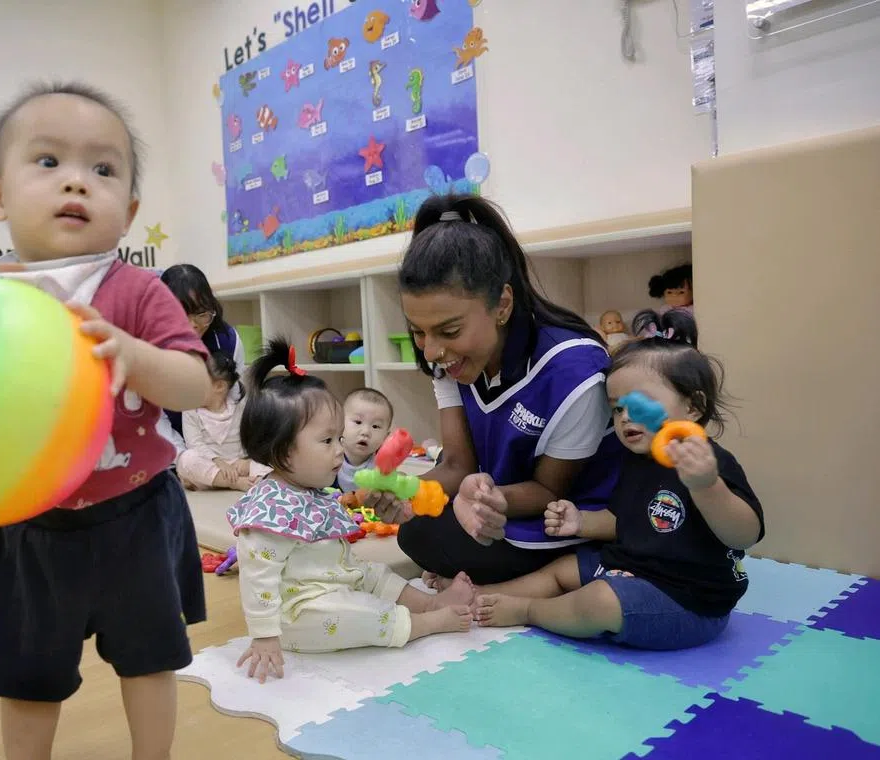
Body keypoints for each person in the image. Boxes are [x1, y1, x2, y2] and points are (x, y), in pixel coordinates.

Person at [0, 81, 211, 760]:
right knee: (25, 674)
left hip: (135, 510)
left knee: (150, 659)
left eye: (102, 169)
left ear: (129, 209)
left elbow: (196, 386)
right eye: (48, 162)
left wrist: (132, 353)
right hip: (29, 521)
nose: (76, 182)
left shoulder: (139, 291)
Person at [472, 309, 764, 650]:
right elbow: (624, 520)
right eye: (617, 408)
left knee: (600, 600)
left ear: (694, 407)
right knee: (564, 568)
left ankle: (528, 610)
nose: (626, 418)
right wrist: (579, 522)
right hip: (633, 571)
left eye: (640, 405)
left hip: (688, 602)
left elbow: (745, 534)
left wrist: (707, 487)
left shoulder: (711, 464)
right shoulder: (637, 461)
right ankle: (479, 595)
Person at [373, 194, 624, 587]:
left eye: (449, 331)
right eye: (419, 331)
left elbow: (548, 490)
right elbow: (458, 465)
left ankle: (570, 574)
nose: (433, 349)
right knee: (416, 527)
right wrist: (407, 492)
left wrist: (492, 500)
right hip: (498, 503)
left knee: (435, 536)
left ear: (502, 304)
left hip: (571, 515)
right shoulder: (447, 358)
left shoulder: (574, 372)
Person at [231, 339, 473, 685]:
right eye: (327, 441)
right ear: (284, 452)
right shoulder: (269, 511)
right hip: (301, 611)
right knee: (358, 614)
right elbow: (258, 581)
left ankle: (429, 602)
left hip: (336, 577)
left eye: (337, 438)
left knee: (375, 572)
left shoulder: (310, 489)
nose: (339, 450)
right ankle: (427, 623)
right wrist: (265, 635)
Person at [160, 263, 245, 438]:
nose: (193, 325)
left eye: (201, 314)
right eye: (182, 314)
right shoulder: (146, 346)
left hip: (216, 442)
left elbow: (234, 398)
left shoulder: (227, 340)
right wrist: (185, 456)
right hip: (162, 445)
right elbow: (151, 418)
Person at [176, 351, 269, 491]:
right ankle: (235, 482)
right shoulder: (191, 410)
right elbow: (194, 443)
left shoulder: (240, 406)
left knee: (273, 456)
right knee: (186, 459)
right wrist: (219, 463)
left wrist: (246, 461)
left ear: (219, 386)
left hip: (240, 465)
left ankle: (257, 481)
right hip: (211, 466)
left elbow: (253, 437)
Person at [335, 388, 393, 492]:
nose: (365, 432)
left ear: (386, 437)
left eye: (375, 426)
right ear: (340, 423)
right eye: (358, 422)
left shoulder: (382, 465)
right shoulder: (331, 455)